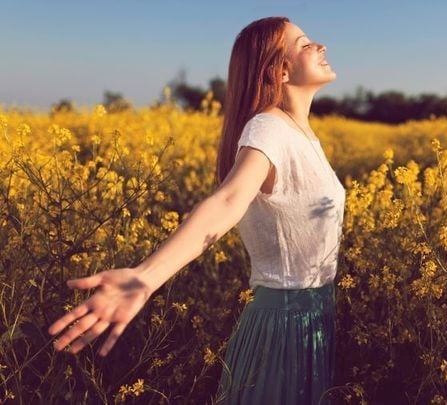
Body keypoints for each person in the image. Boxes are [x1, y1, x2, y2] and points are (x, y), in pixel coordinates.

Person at [47, 16, 344, 404]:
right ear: (281, 70)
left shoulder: (301, 132)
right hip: (283, 327)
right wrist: (146, 277)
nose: (320, 46)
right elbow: (227, 200)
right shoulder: (269, 128)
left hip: (314, 317)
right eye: (304, 43)